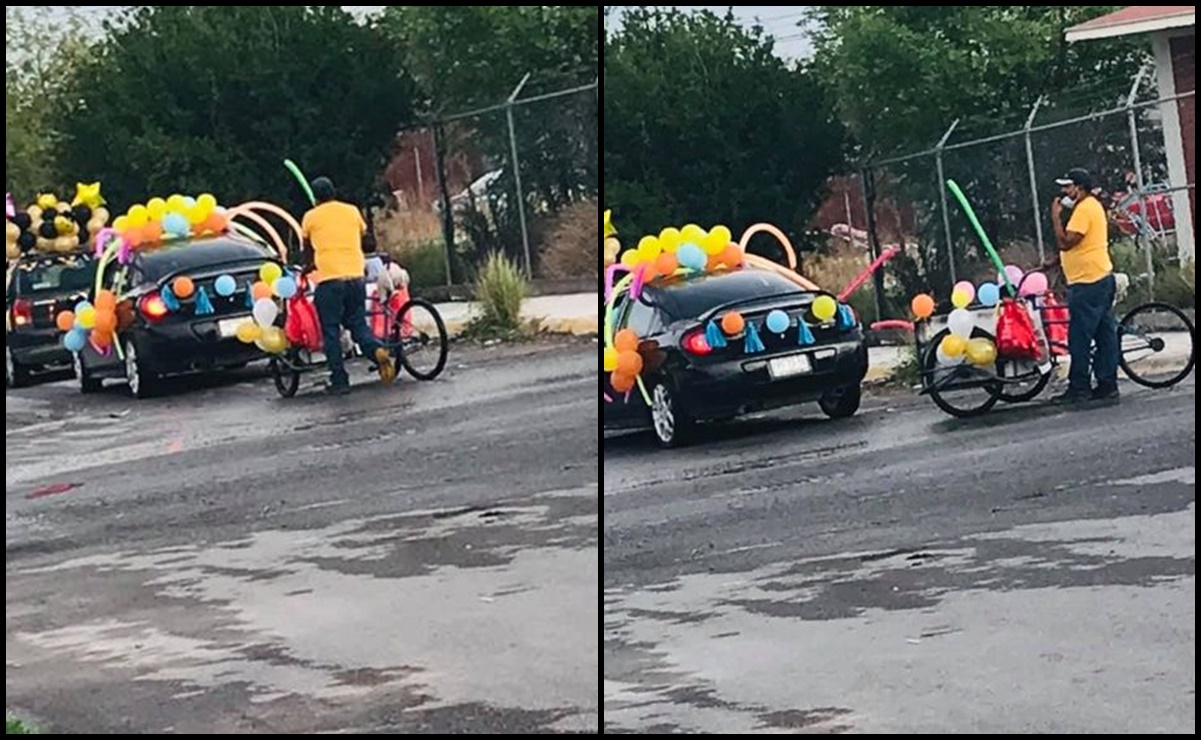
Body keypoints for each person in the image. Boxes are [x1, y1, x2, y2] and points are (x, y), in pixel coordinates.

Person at [301, 177, 396, 395]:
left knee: (331, 331)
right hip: (355, 276)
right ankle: (376, 349)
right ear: (333, 192)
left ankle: (340, 380)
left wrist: (309, 266)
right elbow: (364, 239)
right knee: (357, 323)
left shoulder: (310, 217)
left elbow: (307, 248)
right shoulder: (351, 211)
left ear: (316, 197)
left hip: (329, 280)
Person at [1047, 167, 1120, 405]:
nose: (1064, 192)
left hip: (1088, 282)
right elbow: (1083, 245)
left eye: (1068, 187)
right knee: (1104, 334)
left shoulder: (1084, 209)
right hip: (1100, 277)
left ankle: (1079, 387)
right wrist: (1056, 262)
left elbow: (1067, 242)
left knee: (1079, 337)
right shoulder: (1092, 207)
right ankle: (1107, 384)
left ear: (1079, 188)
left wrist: (1056, 217)